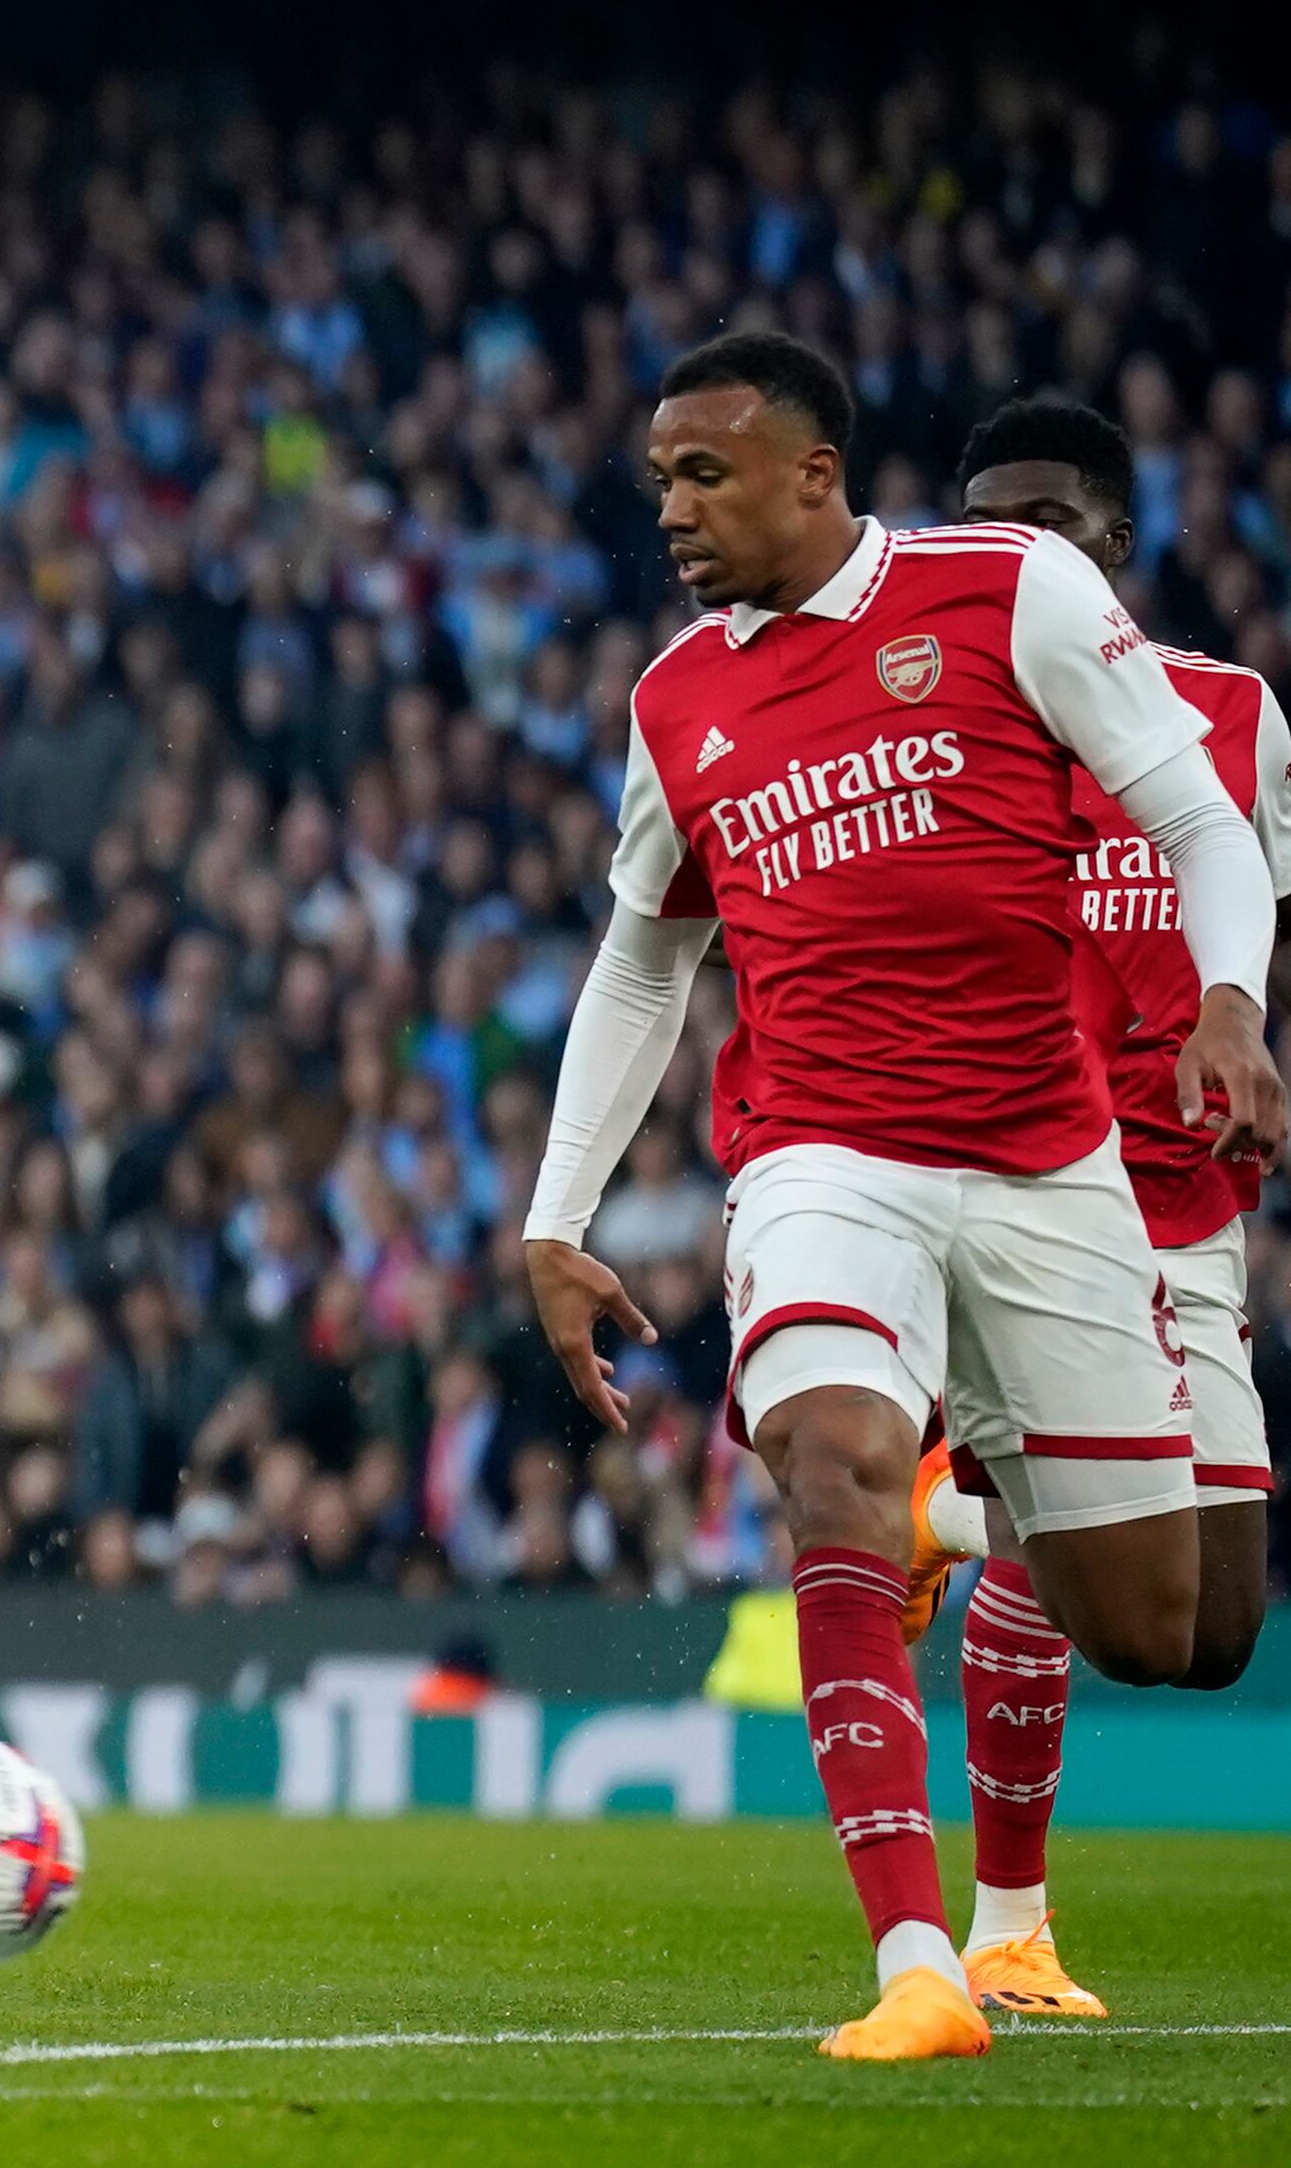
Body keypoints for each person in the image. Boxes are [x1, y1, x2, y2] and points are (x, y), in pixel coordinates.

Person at [521, 334, 1283, 2061]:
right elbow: (641, 968)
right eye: (660, 482)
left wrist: (1228, 1002)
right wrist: (555, 1218)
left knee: (1169, 1628)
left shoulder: (1003, 592)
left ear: (816, 473)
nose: (676, 513)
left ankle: (966, 1505)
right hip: (824, 1157)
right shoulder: (677, 700)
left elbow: (1197, 820)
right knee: (834, 1467)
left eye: (707, 475)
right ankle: (921, 1965)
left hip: (1049, 1163)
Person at [887, 395, 1291, 2017]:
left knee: (1212, 1630)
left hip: (1189, 1202)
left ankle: (946, 1514)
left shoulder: (1230, 713)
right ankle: (1010, 1926)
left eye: (1049, 516)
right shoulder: (950, 728)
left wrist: (1242, 1020)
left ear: (1118, 539)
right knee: (1095, 1573)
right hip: (1034, 1190)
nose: (1019, 547)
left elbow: (1244, 895)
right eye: (990, 518)